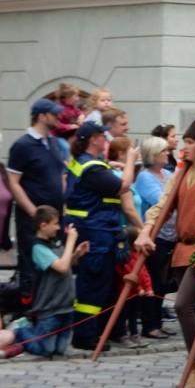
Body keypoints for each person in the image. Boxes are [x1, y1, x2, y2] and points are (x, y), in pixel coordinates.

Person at [135, 117, 195, 388]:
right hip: (181, 249)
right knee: (189, 308)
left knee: (181, 305)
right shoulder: (180, 174)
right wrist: (146, 229)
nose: (184, 147)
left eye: (189, 142)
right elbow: (162, 206)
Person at [64, 121, 137, 351]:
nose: (105, 138)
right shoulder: (93, 168)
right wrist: (131, 161)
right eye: (101, 135)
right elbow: (122, 186)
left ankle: (91, 331)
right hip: (96, 231)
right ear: (93, 139)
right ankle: (85, 335)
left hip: (93, 228)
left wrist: (109, 164)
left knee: (95, 283)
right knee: (93, 284)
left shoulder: (88, 164)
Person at [1, 206, 89, 358]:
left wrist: (76, 254)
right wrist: (71, 241)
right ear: (43, 225)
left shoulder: (56, 243)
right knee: (45, 350)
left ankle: (32, 333)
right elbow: (61, 267)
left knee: (59, 350)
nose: (58, 227)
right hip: (50, 307)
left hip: (65, 306)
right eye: (55, 223)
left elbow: (66, 263)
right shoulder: (38, 247)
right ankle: (21, 330)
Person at [7, 98, 65, 304]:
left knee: (55, 260)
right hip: (33, 219)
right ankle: (31, 310)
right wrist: (33, 212)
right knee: (31, 264)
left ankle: (51, 305)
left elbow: (60, 175)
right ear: (42, 116)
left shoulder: (53, 143)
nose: (59, 117)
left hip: (54, 217)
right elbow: (13, 182)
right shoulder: (22, 145)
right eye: (54, 114)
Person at [134, 136, 176, 340]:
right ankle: (149, 324)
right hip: (154, 235)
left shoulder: (167, 173)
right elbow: (161, 201)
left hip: (170, 235)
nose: (168, 154)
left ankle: (158, 321)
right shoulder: (145, 177)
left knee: (163, 281)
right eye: (163, 151)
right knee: (153, 281)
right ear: (153, 155)